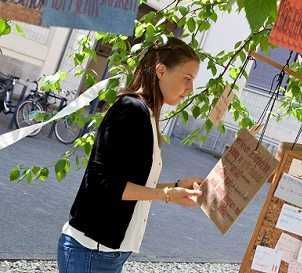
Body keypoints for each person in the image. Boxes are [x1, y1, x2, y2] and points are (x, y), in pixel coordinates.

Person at [57, 37, 203, 273]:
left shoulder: (147, 114)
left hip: (107, 253)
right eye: (187, 79)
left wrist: (176, 186)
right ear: (161, 71)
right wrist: (167, 195)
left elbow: (130, 185)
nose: (191, 89)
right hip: (92, 251)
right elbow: (100, 182)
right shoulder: (131, 109)